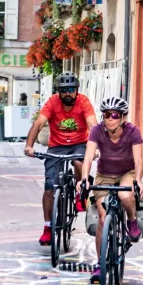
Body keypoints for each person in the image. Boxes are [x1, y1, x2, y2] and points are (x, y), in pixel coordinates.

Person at [77, 96, 143, 284]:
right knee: (102, 217)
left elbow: (138, 160)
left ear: (123, 117)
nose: (110, 119)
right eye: (106, 115)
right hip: (104, 174)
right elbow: (89, 156)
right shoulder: (98, 131)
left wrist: (138, 180)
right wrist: (84, 178)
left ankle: (131, 221)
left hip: (127, 172)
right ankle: (100, 264)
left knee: (124, 195)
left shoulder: (133, 132)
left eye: (114, 115)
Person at [25, 72, 97, 245]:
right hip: (57, 147)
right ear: (58, 91)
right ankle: (48, 227)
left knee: (79, 161)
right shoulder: (52, 102)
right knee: (50, 187)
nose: (68, 93)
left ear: (77, 90)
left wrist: (96, 148)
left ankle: (80, 192)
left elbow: (93, 125)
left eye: (71, 89)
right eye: (64, 90)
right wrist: (29, 145)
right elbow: (38, 124)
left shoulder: (83, 102)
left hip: (79, 143)